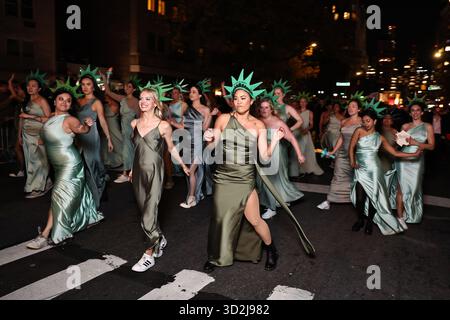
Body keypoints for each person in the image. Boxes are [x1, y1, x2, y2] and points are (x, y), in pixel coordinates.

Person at [203, 70, 315, 273]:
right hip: (223, 176)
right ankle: (216, 256)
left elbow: (263, 157)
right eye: (235, 98)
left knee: (254, 219)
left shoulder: (258, 125)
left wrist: (276, 142)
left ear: (251, 100)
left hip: (245, 177)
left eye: (243, 98)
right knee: (219, 217)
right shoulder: (222, 119)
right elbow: (213, 148)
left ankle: (271, 249)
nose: (238, 101)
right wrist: (209, 138)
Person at [26, 80, 104, 249]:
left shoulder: (70, 120)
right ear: (54, 101)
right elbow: (46, 136)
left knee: (58, 196)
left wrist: (87, 126)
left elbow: (81, 130)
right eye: (61, 99)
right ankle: (88, 216)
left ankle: (45, 234)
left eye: (68, 100)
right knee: (64, 196)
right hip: (58, 166)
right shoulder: (50, 120)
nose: (64, 102)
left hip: (70, 165)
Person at [130, 85, 190, 272]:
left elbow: (171, 148)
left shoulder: (163, 125)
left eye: (148, 98)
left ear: (155, 102)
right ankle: (159, 238)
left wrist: (183, 165)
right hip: (138, 172)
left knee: (149, 212)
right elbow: (136, 150)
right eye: (141, 98)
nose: (143, 101)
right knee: (143, 210)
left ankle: (149, 254)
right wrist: (131, 170)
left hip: (156, 171)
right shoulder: (134, 123)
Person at [349, 108, 421, 235]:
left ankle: (370, 222)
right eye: (364, 121)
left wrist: (414, 153)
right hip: (361, 170)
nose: (366, 123)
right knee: (360, 198)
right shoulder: (358, 131)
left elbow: (394, 152)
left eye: (368, 121)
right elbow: (351, 147)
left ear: (375, 121)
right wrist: (352, 161)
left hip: (374, 170)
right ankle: (360, 219)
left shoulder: (380, 137)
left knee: (373, 198)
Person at [257, 97, 305, 220]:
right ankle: (279, 200)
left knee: (272, 179)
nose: (264, 110)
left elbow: (292, 138)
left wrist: (299, 154)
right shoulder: (259, 121)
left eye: (266, 107)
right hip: (263, 153)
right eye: (262, 107)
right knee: (264, 180)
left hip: (277, 154)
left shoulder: (278, 122)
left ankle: (271, 208)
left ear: (271, 108)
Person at [390, 99, 435, 227]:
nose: (415, 113)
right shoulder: (405, 126)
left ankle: (411, 213)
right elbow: (399, 145)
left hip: (417, 160)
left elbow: (431, 146)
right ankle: (399, 217)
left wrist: (417, 143)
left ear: (422, 112)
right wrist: (396, 139)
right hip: (403, 160)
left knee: (414, 188)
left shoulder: (428, 126)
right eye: (413, 110)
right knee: (401, 189)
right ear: (410, 113)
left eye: (418, 110)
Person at [317, 98, 363, 210]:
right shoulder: (344, 121)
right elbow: (341, 138)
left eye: (353, 106)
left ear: (359, 109)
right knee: (337, 176)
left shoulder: (362, 122)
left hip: (356, 154)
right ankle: (329, 200)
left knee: (355, 178)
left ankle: (355, 199)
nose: (350, 108)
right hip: (342, 154)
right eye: (349, 106)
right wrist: (333, 151)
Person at [77, 66, 112, 208]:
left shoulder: (96, 102)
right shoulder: (77, 101)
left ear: (93, 87)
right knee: (81, 164)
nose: (85, 87)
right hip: (78, 135)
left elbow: (102, 120)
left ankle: (98, 189)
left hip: (91, 136)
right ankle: (85, 192)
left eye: (88, 84)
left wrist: (109, 138)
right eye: (83, 84)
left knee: (93, 164)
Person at [101, 70, 140, 183]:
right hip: (123, 127)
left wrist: (136, 132)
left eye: (129, 86)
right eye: (125, 86)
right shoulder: (122, 99)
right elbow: (108, 92)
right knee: (128, 150)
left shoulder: (136, 101)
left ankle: (125, 174)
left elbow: (139, 118)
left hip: (131, 129)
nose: (126, 88)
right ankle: (130, 172)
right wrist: (104, 78)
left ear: (133, 89)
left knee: (127, 150)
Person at [19, 70, 52, 199]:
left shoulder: (42, 100)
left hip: (38, 134)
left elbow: (49, 119)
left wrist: (29, 115)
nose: (30, 88)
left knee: (39, 162)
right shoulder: (26, 100)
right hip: (26, 135)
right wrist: (19, 136)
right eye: (28, 85)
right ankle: (46, 182)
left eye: (33, 86)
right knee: (31, 162)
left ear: (39, 88)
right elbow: (22, 119)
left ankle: (39, 188)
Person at [179, 84, 212, 209]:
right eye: (190, 92)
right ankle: (198, 194)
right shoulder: (186, 109)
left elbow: (204, 129)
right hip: (187, 142)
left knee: (191, 171)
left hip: (198, 143)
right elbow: (182, 126)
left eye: (194, 92)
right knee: (190, 171)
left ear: (199, 95)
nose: (191, 94)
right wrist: (170, 122)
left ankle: (191, 198)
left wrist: (210, 116)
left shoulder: (205, 109)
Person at [296, 93, 324, 176]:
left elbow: (311, 124)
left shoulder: (310, 112)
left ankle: (307, 168)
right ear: (299, 103)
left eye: (304, 102)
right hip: (297, 132)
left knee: (307, 151)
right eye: (301, 102)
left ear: (306, 103)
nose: (303, 103)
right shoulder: (296, 112)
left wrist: (306, 129)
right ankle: (299, 169)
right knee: (297, 150)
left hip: (305, 132)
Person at [7, 74, 26, 178]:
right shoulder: (22, 101)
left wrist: (10, 82)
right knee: (19, 149)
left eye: (18, 89)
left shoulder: (24, 101)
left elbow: (13, 95)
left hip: (24, 130)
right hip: (20, 129)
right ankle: (23, 170)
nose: (17, 91)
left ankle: (22, 170)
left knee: (18, 149)